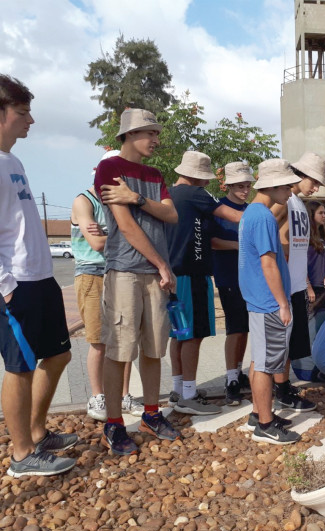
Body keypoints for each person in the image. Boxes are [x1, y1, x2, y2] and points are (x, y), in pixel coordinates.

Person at [0, 75, 77, 477]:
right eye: (23, 113)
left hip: (41, 278)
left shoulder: (13, 161)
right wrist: (6, 287)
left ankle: (37, 432)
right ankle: (21, 454)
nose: (30, 121)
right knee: (20, 366)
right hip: (16, 285)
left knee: (60, 354)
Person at [94, 108, 180, 456]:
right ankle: (113, 424)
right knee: (119, 350)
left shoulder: (154, 174)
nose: (156, 140)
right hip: (126, 271)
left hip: (154, 274)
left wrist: (137, 198)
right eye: (150, 134)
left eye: (157, 134)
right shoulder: (110, 168)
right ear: (129, 135)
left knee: (154, 348)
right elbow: (126, 227)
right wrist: (162, 264)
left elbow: (171, 215)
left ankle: (150, 414)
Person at [164, 151, 245, 415]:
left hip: (174, 274)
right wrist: (262, 217)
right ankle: (189, 394)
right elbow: (233, 216)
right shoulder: (195, 194)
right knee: (194, 336)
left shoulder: (168, 194)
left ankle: (179, 389)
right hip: (193, 273)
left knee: (179, 334)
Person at [72, 150, 141, 422]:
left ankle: (124, 395)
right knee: (99, 340)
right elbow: (97, 244)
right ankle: (98, 395)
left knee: (124, 338)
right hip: (92, 274)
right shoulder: (84, 201)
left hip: (120, 272)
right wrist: (129, 232)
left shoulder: (118, 201)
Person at [239, 159, 302, 444]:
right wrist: (283, 303)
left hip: (260, 300)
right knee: (266, 364)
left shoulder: (251, 212)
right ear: (274, 185)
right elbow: (268, 264)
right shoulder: (263, 216)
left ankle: (258, 413)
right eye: (288, 186)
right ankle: (265, 425)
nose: (291, 191)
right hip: (268, 303)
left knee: (259, 358)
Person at [270, 151, 325, 413]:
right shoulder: (284, 200)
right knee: (280, 345)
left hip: (295, 284)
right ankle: (279, 390)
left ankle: (283, 387)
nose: (315, 188)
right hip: (284, 285)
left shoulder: (298, 203)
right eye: (313, 181)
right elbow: (264, 227)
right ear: (299, 174)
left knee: (292, 344)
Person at [211, 162, 254, 405]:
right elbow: (212, 241)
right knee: (234, 328)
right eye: (240, 186)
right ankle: (231, 379)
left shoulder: (250, 209)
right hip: (228, 275)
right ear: (228, 185)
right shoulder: (218, 208)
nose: (245, 190)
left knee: (245, 328)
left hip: (249, 277)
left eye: (248, 185)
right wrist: (239, 245)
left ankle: (237, 371)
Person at [306, 200, 325, 304]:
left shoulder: (323, 238)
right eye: (320, 213)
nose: (324, 216)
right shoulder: (305, 238)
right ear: (311, 214)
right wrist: (308, 287)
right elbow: (300, 264)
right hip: (311, 287)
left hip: (323, 287)